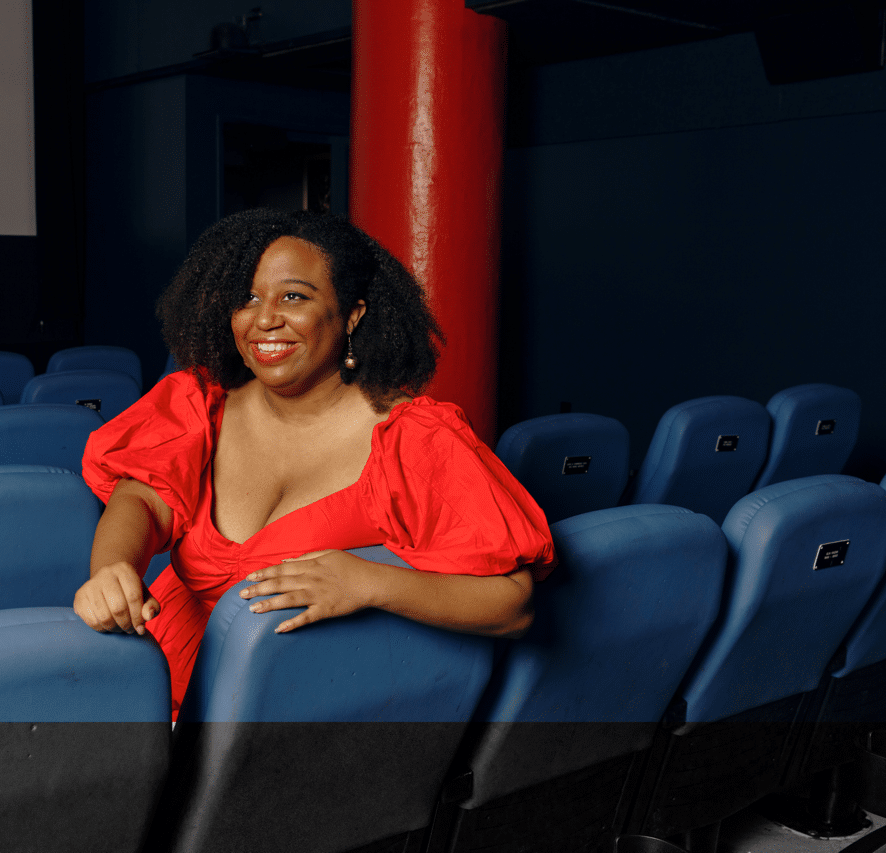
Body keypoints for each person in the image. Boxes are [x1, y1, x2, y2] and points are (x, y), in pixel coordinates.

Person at [73, 209, 556, 718]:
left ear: (352, 314)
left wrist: (370, 582)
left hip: (287, 716)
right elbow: (142, 497)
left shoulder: (413, 440)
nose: (264, 319)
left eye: (294, 297)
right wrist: (112, 570)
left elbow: (512, 604)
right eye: (248, 298)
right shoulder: (200, 401)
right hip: (148, 684)